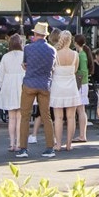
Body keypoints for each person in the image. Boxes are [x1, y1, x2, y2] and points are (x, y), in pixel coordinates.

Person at [18, 21, 56, 154]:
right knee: (46, 116)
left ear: (35, 34)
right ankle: (50, 147)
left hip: (29, 83)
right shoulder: (52, 50)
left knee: (25, 116)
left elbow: (25, 64)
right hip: (45, 84)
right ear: (45, 35)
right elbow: (52, 67)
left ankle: (23, 149)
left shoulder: (28, 48)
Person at [48, 29, 80, 152]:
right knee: (71, 117)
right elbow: (75, 70)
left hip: (58, 87)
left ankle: (58, 144)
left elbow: (52, 70)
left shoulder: (55, 53)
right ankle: (69, 144)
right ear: (70, 40)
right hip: (71, 86)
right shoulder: (75, 55)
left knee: (58, 118)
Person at [0, 33, 26, 157]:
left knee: (11, 117)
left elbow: (0, 76)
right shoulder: (24, 55)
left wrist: (4, 86)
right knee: (20, 116)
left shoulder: (5, 57)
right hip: (21, 86)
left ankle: (12, 143)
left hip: (8, 86)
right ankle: (19, 143)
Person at [72, 35, 91, 143]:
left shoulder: (81, 54)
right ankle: (82, 135)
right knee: (81, 110)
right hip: (83, 83)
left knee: (80, 110)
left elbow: (83, 71)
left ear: (75, 43)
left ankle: (82, 135)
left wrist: (74, 73)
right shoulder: (83, 53)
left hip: (81, 83)